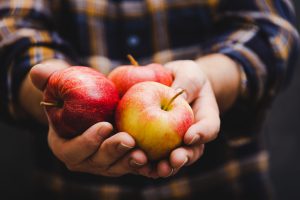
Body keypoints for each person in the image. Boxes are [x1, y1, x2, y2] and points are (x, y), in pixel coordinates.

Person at [0, 0, 299, 199]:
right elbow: (11, 27)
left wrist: (210, 79)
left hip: (223, 185)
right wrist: (44, 95)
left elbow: (272, 29)